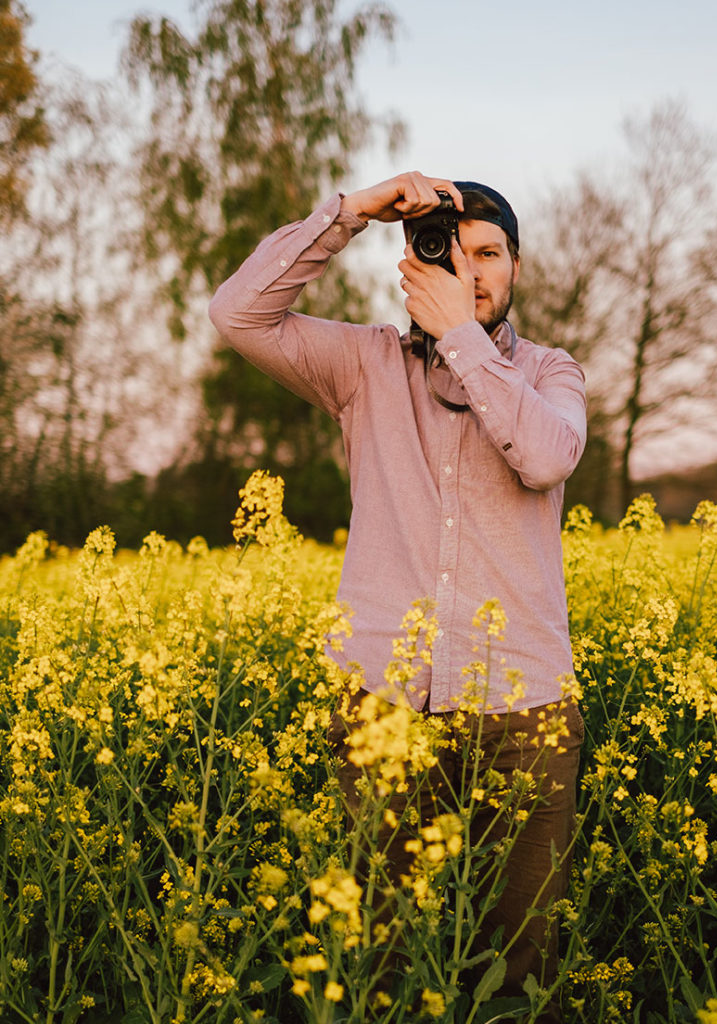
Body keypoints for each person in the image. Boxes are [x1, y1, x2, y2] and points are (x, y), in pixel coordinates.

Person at [209, 172, 587, 1022]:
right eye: (448, 252)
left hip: (523, 706)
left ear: (516, 269)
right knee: (374, 953)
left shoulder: (553, 373)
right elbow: (238, 315)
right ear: (411, 261)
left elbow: (546, 458)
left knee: (519, 965)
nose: (470, 271)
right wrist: (353, 212)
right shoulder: (363, 366)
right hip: (384, 701)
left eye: (488, 254)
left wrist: (462, 337)